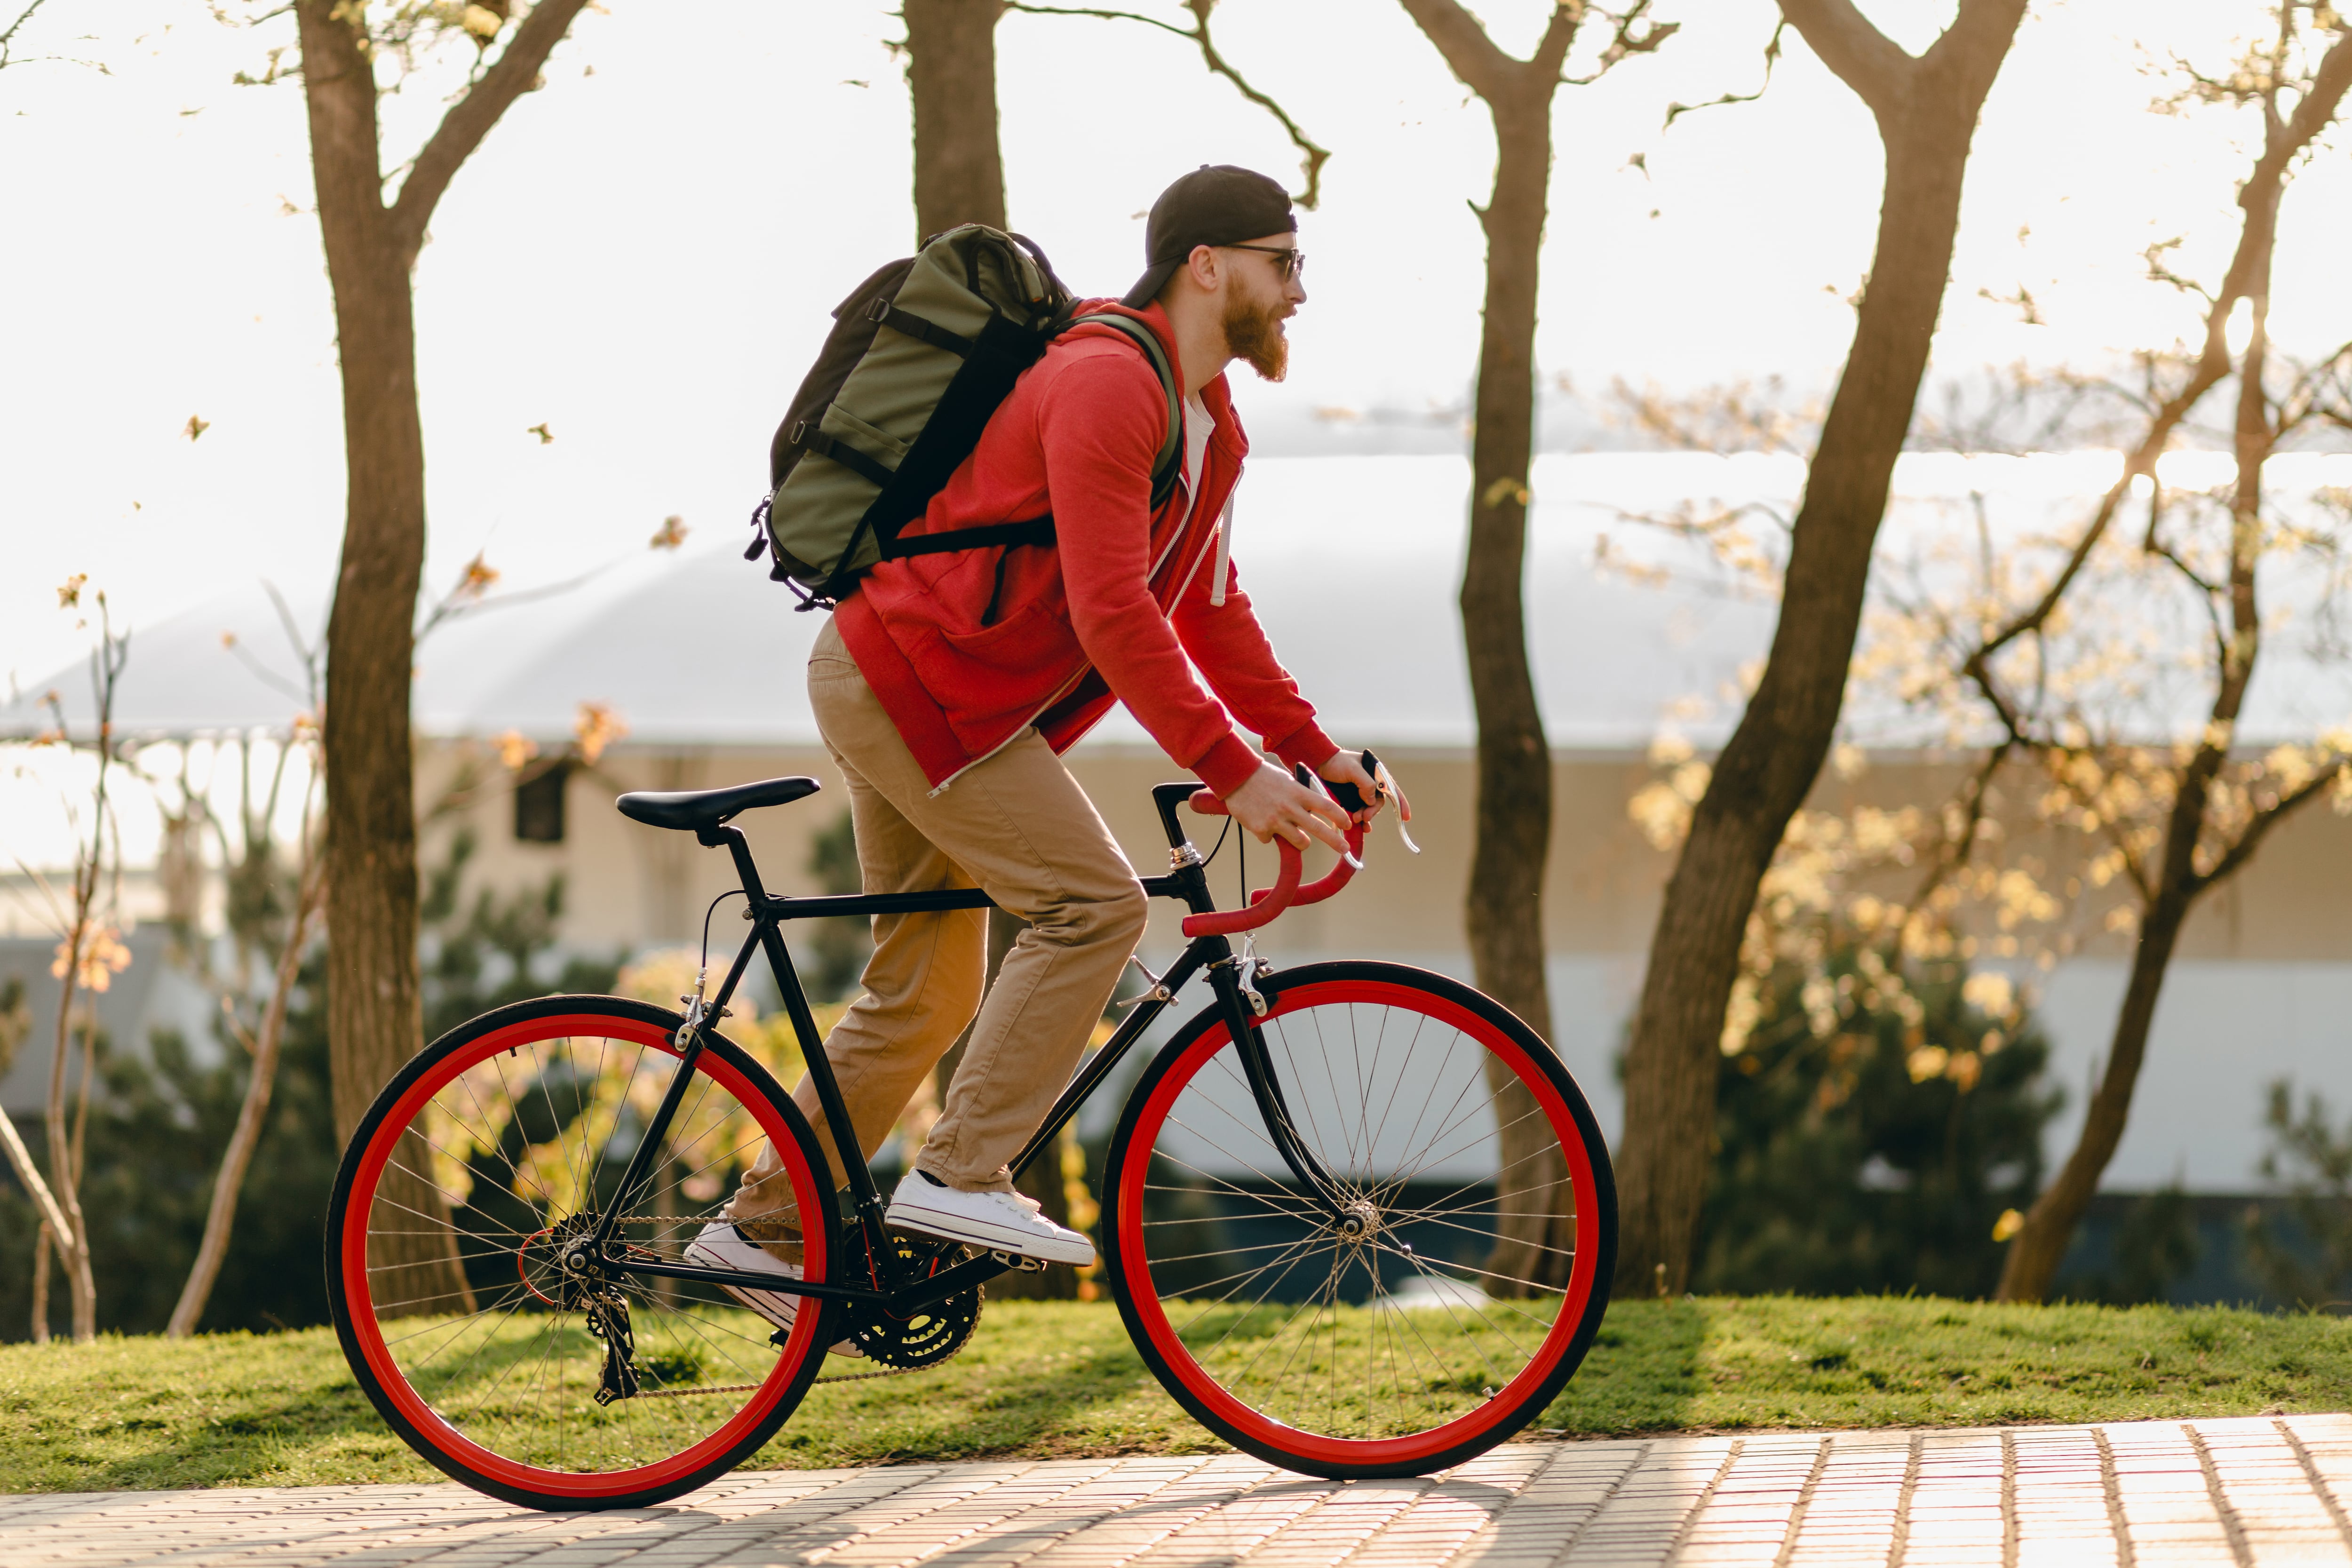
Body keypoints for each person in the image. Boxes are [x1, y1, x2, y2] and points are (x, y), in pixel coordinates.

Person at [687, 165, 1409, 1341]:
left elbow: (1208, 609)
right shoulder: (1104, 382)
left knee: (926, 992)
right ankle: (961, 1174)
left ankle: (762, 1226)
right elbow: (1114, 612)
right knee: (1092, 907)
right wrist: (1237, 774)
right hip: (912, 679)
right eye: (1284, 264)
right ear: (1206, 264)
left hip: (921, 684)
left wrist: (1314, 753)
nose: (1298, 292)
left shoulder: (1210, 424)